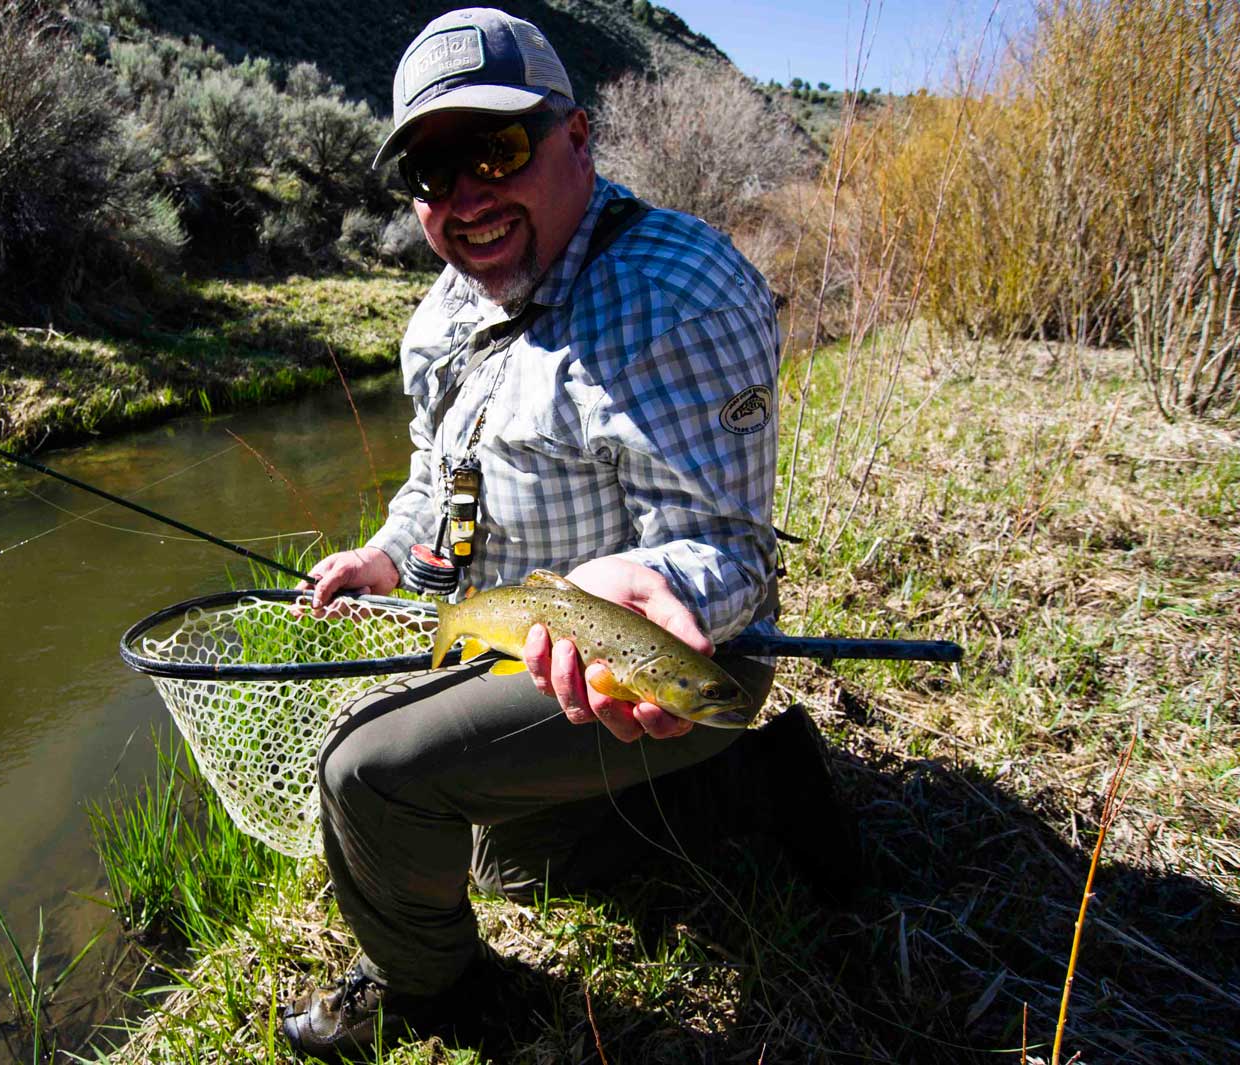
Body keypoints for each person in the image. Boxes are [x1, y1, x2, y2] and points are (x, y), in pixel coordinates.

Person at [281, 8, 859, 1058]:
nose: (466, 198)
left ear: (578, 138)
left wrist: (646, 582)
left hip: (672, 660)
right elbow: (435, 485)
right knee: (508, 864)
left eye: (496, 150)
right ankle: (746, 791)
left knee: (366, 773)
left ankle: (437, 992)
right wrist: (383, 554)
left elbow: (724, 546)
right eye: (430, 173)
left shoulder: (673, 292)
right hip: (519, 645)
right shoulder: (441, 315)